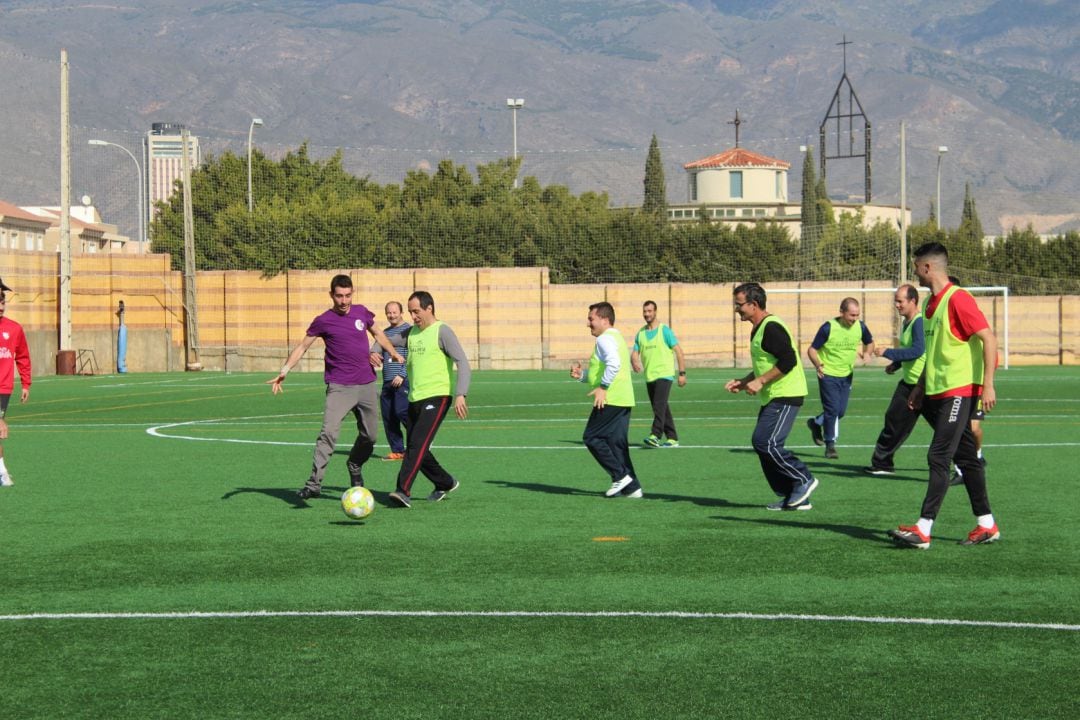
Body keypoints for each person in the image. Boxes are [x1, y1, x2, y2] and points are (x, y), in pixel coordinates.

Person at [889, 242, 1000, 549]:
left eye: (916, 267)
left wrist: (988, 384)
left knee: (939, 456)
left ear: (928, 268)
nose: (914, 272)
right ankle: (987, 525)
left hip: (960, 391)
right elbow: (935, 353)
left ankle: (923, 530)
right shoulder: (929, 305)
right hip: (938, 391)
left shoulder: (958, 299)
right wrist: (921, 386)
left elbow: (988, 339)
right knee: (967, 457)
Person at [267, 274, 402, 500]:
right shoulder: (323, 320)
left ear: (352, 293)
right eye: (339, 296)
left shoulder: (361, 312)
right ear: (332, 295)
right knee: (328, 433)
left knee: (370, 437)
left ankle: (355, 464)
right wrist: (285, 370)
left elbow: (378, 333)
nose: (344, 301)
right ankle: (314, 484)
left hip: (367, 384)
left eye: (348, 295)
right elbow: (303, 347)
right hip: (339, 386)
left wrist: (393, 352)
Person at [725, 283, 818, 510]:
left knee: (765, 442)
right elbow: (767, 363)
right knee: (762, 444)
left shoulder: (771, 328)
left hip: (786, 394)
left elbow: (788, 361)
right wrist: (746, 381)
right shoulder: (758, 328)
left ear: (754, 305)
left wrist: (761, 381)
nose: (737, 309)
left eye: (739, 305)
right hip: (774, 395)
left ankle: (803, 478)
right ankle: (794, 497)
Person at [387, 291, 471, 508]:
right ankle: (445, 481)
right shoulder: (410, 333)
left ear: (429, 308)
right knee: (419, 447)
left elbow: (462, 362)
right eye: (411, 312)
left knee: (415, 445)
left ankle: (402, 490)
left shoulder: (442, 331)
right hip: (415, 398)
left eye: (416, 311)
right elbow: (387, 341)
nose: (413, 316)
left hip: (438, 396)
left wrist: (461, 393)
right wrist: (373, 351)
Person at [570, 301, 643, 498]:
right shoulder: (616, 337)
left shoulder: (603, 340)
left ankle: (620, 476)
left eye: (591, 319)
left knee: (591, 437)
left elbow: (614, 364)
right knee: (616, 443)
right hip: (624, 398)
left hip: (610, 398)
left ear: (604, 319)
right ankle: (632, 487)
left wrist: (603, 388)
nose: (588, 323)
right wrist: (583, 376)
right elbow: (605, 369)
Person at [864, 284, 925, 475]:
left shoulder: (919, 322)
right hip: (909, 383)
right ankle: (882, 464)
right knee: (894, 419)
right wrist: (896, 364)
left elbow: (918, 351)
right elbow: (911, 352)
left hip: (924, 386)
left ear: (913, 301)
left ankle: (968, 463)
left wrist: (888, 353)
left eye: (900, 301)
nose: (897, 305)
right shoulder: (907, 323)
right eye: (895, 301)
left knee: (946, 429)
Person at [806, 297, 875, 459]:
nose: (854, 319)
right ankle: (830, 445)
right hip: (828, 374)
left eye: (857, 315)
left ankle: (816, 423)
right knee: (832, 410)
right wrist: (818, 365)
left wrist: (867, 353)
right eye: (851, 315)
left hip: (847, 375)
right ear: (842, 313)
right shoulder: (828, 328)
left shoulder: (861, 326)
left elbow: (870, 343)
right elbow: (812, 350)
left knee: (840, 411)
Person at [630, 300, 686, 448]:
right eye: (645, 311)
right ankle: (672, 438)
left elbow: (679, 352)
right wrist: (634, 360)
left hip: (664, 374)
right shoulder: (640, 333)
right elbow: (635, 352)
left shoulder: (665, 331)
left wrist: (682, 373)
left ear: (655, 312)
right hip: (649, 376)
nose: (647, 314)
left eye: (649, 311)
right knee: (662, 407)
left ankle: (655, 435)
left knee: (658, 406)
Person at [0, 278, 31, 488]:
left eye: (3, 301)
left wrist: (26, 383)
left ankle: (2, 472)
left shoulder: (14, 329)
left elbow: (23, 356)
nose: (1, 305)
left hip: (3, 390)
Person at [379, 301, 410, 462]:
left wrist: (402, 374)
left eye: (394, 312)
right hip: (387, 381)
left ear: (401, 312)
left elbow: (412, 356)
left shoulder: (409, 331)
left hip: (401, 380)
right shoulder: (384, 333)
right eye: (388, 313)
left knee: (401, 411)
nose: (391, 315)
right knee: (389, 416)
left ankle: (420, 441)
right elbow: (376, 348)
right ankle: (398, 450)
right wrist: (374, 354)